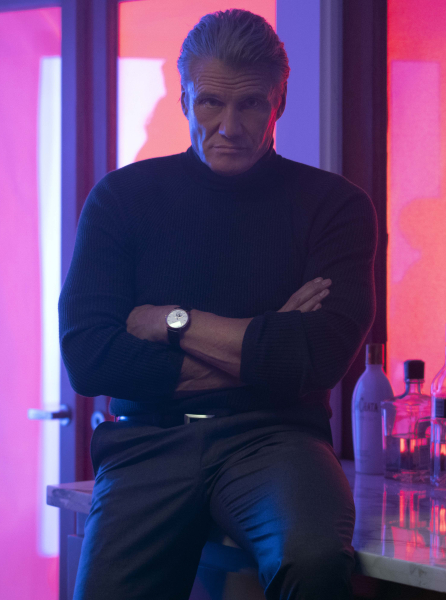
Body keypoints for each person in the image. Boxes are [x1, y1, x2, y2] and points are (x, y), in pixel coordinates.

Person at [59, 9, 377, 600]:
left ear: (279, 103)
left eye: (250, 104)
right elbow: (89, 358)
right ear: (185, 100)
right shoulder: (122, 199)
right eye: (210, 103)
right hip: (147, 442)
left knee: (313, 561)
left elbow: (321, 358)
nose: (229, 126)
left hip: (278, 440)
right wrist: (268, 343)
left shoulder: (334, 206)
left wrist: (170, 322)